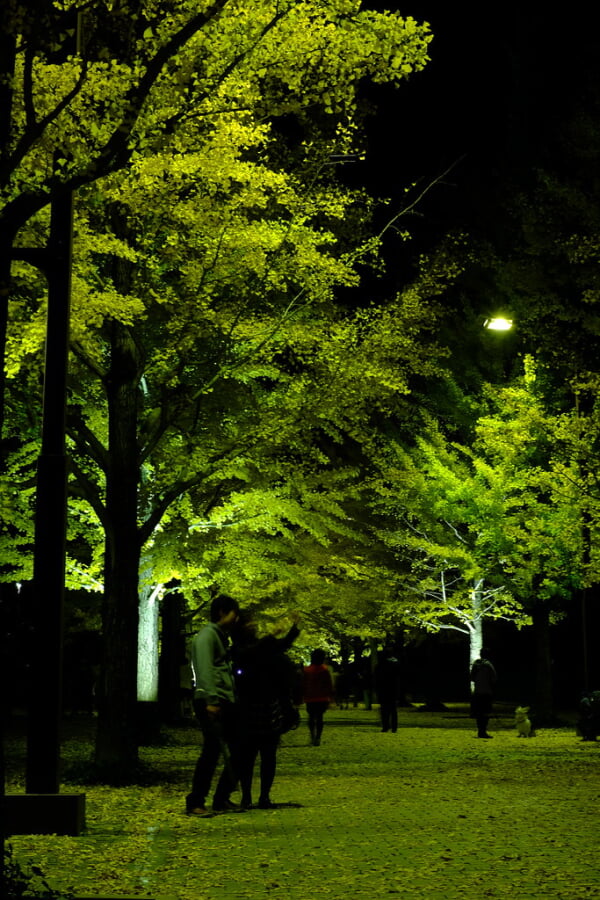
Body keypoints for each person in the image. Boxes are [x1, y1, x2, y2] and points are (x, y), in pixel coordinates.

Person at [232, 612, 301, 809]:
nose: (254, 626)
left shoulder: (260, 647)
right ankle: (249, 796)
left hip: (265, 705)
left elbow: (281, 646)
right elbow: (253, 652)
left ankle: (262, 796)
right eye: (250, 623)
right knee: (251, 754)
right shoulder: (241, 648)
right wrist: (274, 636)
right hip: (251, 705)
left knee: (266, 754)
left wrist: (293, 630)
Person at [185, 595, 241, 817]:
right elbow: (205, 670)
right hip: (212, 699)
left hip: (222, 698)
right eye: (233, 614)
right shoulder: (207, 637)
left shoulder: (218, 637)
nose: (235, 619)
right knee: (211, 752)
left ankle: (220, 797)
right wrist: (211, 701)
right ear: (222, 612)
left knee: (233, 748)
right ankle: (196, 801)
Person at [303, 649, 334, 746]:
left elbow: (303, 684)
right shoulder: (324, 670)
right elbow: (328, 684)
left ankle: (312, 735)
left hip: (310, 697)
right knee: (320, 718)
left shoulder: (306, 670)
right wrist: (331, 696)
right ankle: (318, 738)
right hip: (322, 697)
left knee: (311, 717)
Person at [470, 648, 497, 739]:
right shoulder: (488, 665)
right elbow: (493, 678)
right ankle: (483, 731)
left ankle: (480, 730)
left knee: (479, 712)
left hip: (477, 692)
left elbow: (472, 677)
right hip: (487, 692)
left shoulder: (476, 664)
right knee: (486, 712)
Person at [375, 647, 401, 733]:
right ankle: (394, 727)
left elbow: (377, 677)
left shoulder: (381, 664)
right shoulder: (396, 663)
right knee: (393, 709)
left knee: (384, 709)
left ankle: (385, 726)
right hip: (393, 688)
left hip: (384, 688)